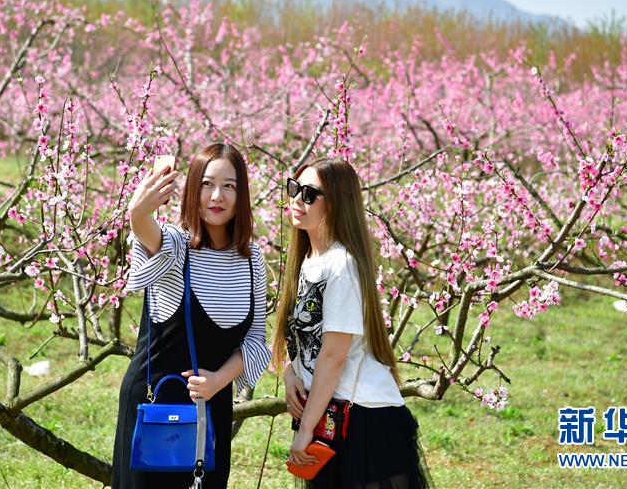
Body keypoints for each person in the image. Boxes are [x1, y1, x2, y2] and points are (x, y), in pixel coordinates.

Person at [111, 143, 270, 489]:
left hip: (211, 408)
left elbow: (256, 340)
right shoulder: (176, 245)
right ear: (192, 189)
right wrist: (138, 211)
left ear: (241, 194)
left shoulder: (252, 259)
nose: (217, 196)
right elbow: (146, 230)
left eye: (229, 186)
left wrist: (218, 381)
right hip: (155, 406)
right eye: (207, 184)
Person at [273, 159, 432, 489]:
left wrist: (304, 431)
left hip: (363, 420)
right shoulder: (308, 259)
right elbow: (299, 339)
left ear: (336, 204)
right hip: (327, 414)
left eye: (309, 193)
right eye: (294, 189)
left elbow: (334, 356)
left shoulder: (341, 264)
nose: (297, 200)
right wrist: (290, 373)